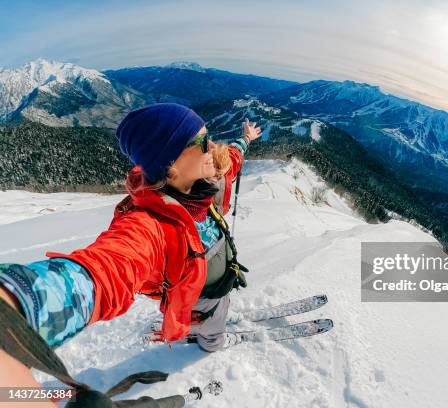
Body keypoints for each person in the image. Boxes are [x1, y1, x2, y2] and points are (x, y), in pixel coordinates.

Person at [0, 103, 261, 393]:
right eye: (201, 141)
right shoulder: (151, 224)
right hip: (203, 295)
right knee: (212, 320)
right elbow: (109, 267)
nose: (212, 146)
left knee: (212, 311)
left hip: (218, 277)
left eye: (208, 136)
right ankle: (211, 342)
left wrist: (245, 139)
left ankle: (200, 327)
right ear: (170, 164)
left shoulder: (206, 180)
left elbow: (232, 159)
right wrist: (21, 304)